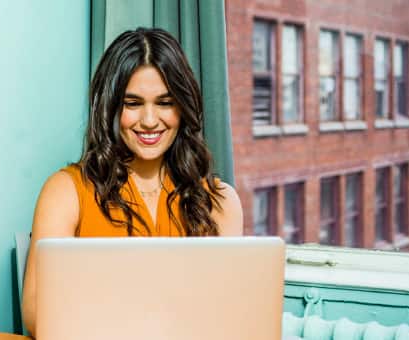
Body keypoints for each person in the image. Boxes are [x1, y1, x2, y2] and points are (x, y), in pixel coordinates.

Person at [21, 27, 244, 337]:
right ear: (111, 108)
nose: (150, 120)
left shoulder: (221, 201)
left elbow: (230, 315)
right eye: (133, 103)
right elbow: (36, 314)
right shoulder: (65, 192)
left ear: (183, 107)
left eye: (165, 103)